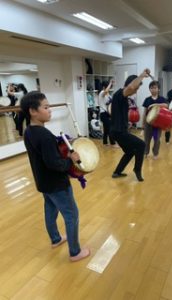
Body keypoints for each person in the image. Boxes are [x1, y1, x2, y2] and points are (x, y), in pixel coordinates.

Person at [20, 91, 90, 262]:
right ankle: (75, 252)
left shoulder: (29, 131)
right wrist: (71, 159)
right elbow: (55, 164)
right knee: (71, 215)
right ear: (33, 111)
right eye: (46, 107)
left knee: (51, 210)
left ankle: (56, 239)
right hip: (57, 184)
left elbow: (46, 159)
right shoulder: (43, 135)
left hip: (44, 182)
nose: (50, 110)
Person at [110, 69, 150, 182]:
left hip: (118, 131)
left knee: (130, 151)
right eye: (137, 88)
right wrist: (142, 75)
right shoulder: (120, 93)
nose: (136, 91)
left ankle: (117, 172)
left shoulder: (122, 96)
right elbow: (131, 87)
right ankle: (137, 170)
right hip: (119, 132)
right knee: (141, 145)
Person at [142, 81, 168, 159]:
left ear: (158, 89)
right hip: (148, 122)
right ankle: (145, 152)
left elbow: (166, 105)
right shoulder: (147, 99)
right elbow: (144, 112)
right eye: (152, 88)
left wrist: (155, 104)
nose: (153, 89)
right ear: (149, 89)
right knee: (147, 139)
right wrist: (143, 123)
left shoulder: (161, 99)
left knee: (157, 139)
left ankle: (155, 153)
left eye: (155, 88)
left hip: (158, 123)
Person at [99, 80, 116, 146]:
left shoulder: (108, 95)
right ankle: (113, 143)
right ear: (104, 87)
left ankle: (105, 142)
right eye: (108, 87)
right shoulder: (102, 93)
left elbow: (111, 103)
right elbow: (106, 91)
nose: (109, 88)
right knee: (109, 128)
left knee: (106, 129)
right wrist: (110, 83)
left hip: (107, 113)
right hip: (103, 113)